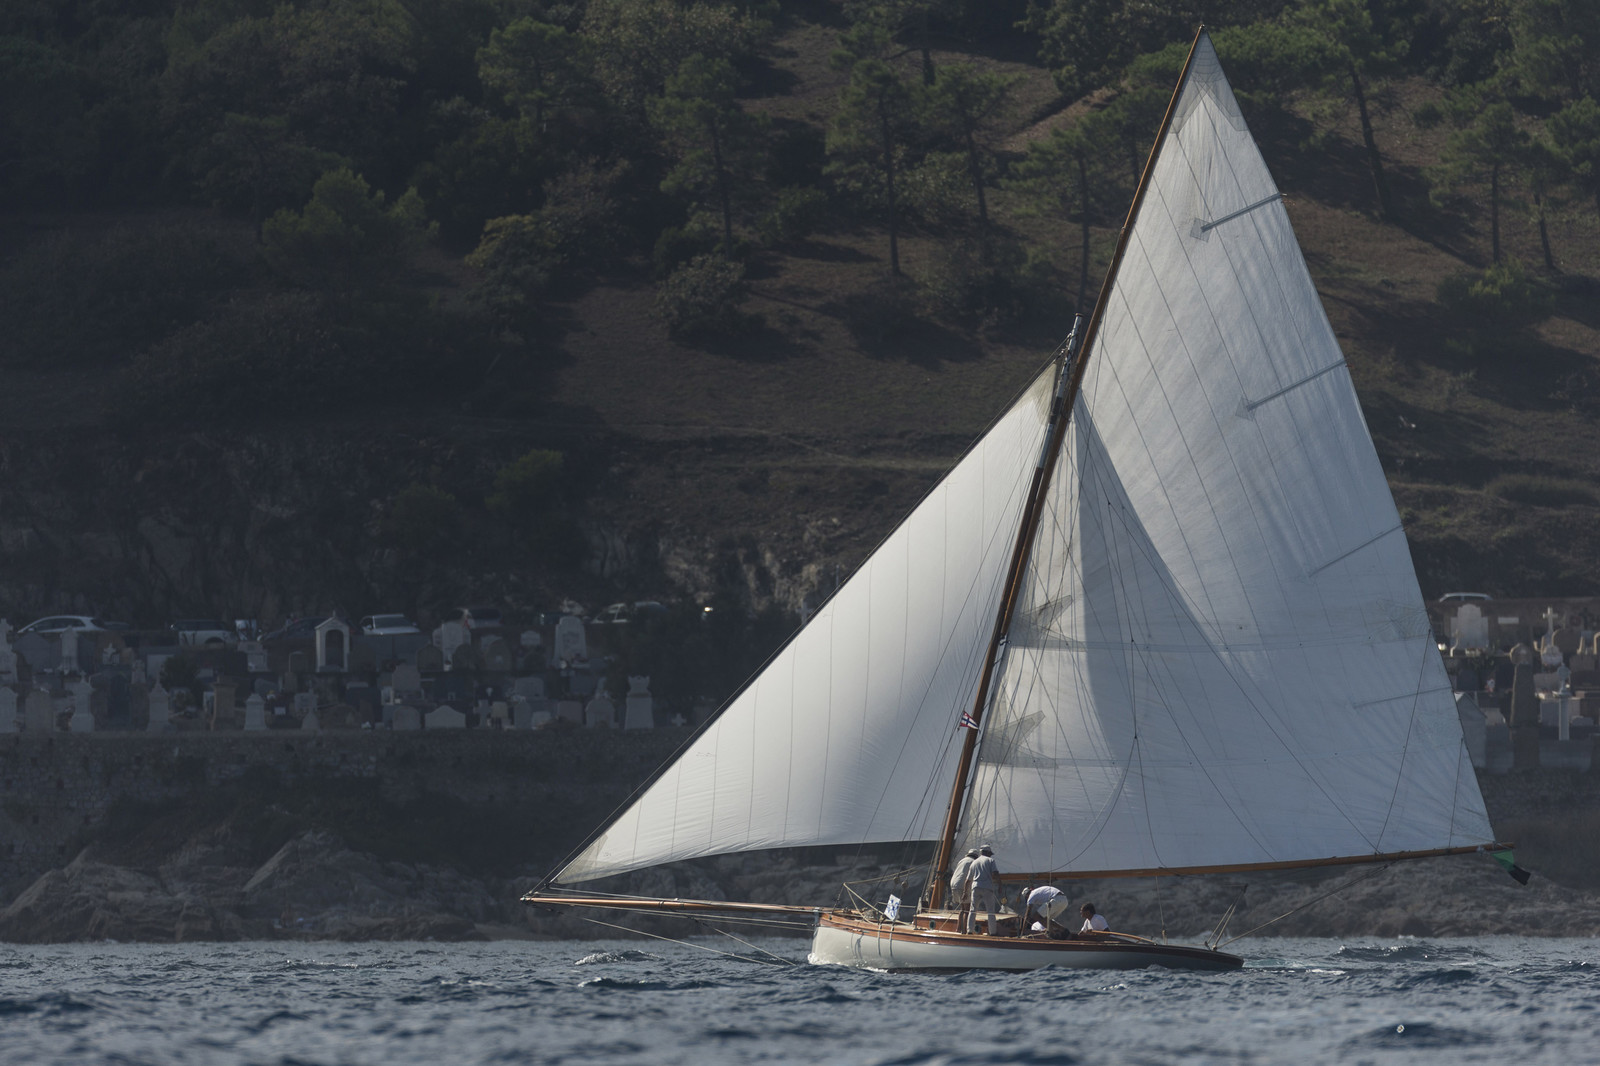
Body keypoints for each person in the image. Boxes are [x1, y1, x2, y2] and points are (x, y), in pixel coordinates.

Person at [968, 845, 1001, 936]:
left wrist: (964, 892)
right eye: (990, 853)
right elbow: (995, 873)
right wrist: (1000, 885)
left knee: (973, 910)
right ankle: (993, 932)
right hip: (987, 887)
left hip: (975, 887)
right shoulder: (990, 861)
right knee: (990, 911)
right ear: (987, 852)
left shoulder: (974, 862)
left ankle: (969, 930)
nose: (990, 855)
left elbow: (968, 879)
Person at [949, 848, 979, 930]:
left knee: (962, 908)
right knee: (967, 910)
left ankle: (958, 929)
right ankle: (964, 930)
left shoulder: (962, 860)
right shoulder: (974, 862)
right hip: (962, 885)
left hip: (954, 884)